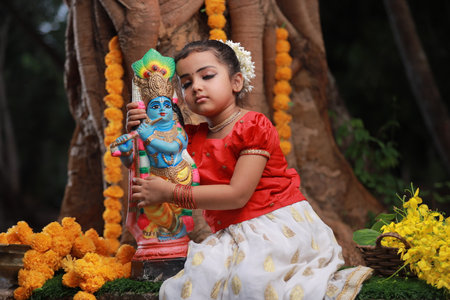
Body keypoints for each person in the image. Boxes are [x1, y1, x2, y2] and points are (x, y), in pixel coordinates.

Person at [126, 40, 372, 300]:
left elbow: (237, 195)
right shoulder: (188, 137)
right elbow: (148, 163)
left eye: (207, 76)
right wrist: (139, 132)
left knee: (252, 282)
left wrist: (171, 193)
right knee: (189, 285)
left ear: (236, 82)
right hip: (231, 235)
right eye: (186, 83)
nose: (196, 86)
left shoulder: (253, 126)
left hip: (276, 227)